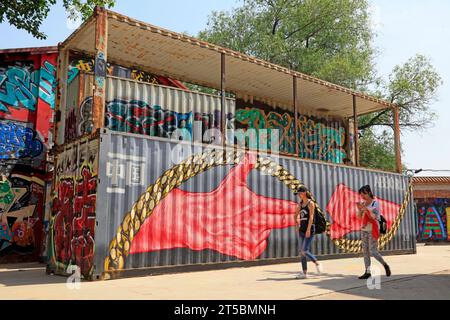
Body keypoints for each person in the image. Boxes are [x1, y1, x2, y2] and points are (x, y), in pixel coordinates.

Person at [357, 185, 392, 279]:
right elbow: (359, 218)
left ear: (369, 192)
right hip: (364, 229)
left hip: (373, 229)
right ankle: (367, 272)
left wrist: (365, 209)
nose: (362, 196)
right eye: (361, 194)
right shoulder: (363, 203)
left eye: (364, 194)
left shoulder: (375, 203)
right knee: (365, 252)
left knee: (373, 251)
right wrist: (360, 210)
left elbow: (374, 217)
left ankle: (385, 265)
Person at [294, 186, 323, 279]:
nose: (298, 195)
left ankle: (317, 263)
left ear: (305, 192)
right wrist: (297, 224)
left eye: (300, 193)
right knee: (302, 252)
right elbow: (295, 216)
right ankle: (304, 273)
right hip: (301, 230)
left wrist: (308, 229)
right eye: (298, 194)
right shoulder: (300, 204)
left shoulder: (311, 203)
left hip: (309, 229)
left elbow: (311, 217)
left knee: (304, 250)